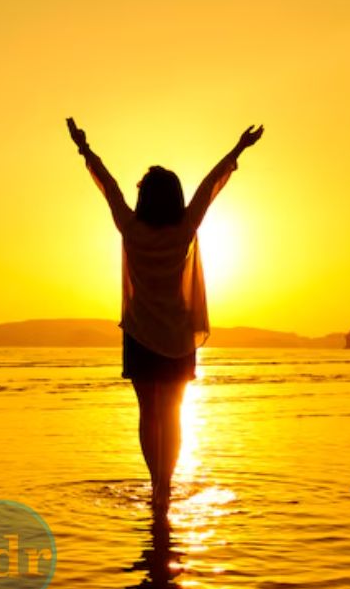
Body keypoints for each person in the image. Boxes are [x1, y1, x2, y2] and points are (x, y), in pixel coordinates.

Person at [67, 117, 264, 511]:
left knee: (148, 414)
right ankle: (166, 487)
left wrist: (84, 149)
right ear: (175, 199)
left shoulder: (131, 227)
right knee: (172, 413)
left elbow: (109, 187)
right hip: (175, 336)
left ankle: (155, 483)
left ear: (144, 199)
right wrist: (238, 149)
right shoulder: (184, 229)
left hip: (140, 335)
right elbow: (210, 188)